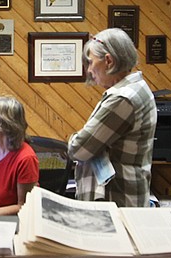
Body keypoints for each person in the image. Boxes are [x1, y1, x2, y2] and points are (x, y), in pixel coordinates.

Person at [67, 27, 157, 206]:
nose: (90, 70)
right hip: (123, 197)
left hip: (117, 200)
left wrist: (73, 140)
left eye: (91, 62)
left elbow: (78, 149)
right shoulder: (138, 87)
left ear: (108, 61)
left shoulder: (122, 99)